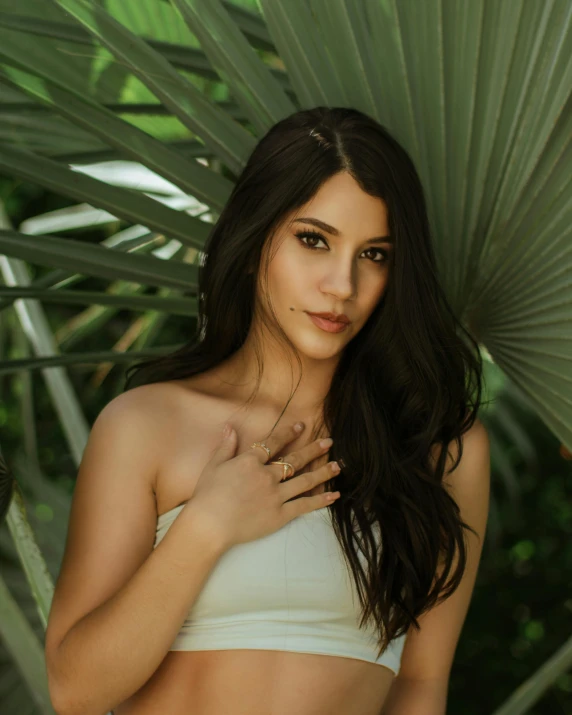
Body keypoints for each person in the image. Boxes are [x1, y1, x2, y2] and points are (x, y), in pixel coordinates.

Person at [44, 106, 490, 715]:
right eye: (314, 240)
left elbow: (419, 686)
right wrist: (205, 527)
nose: (342, 284)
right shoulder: (144, 424)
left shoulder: (438, 449)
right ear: (257, 240)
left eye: (375, 254)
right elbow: (75, 689)